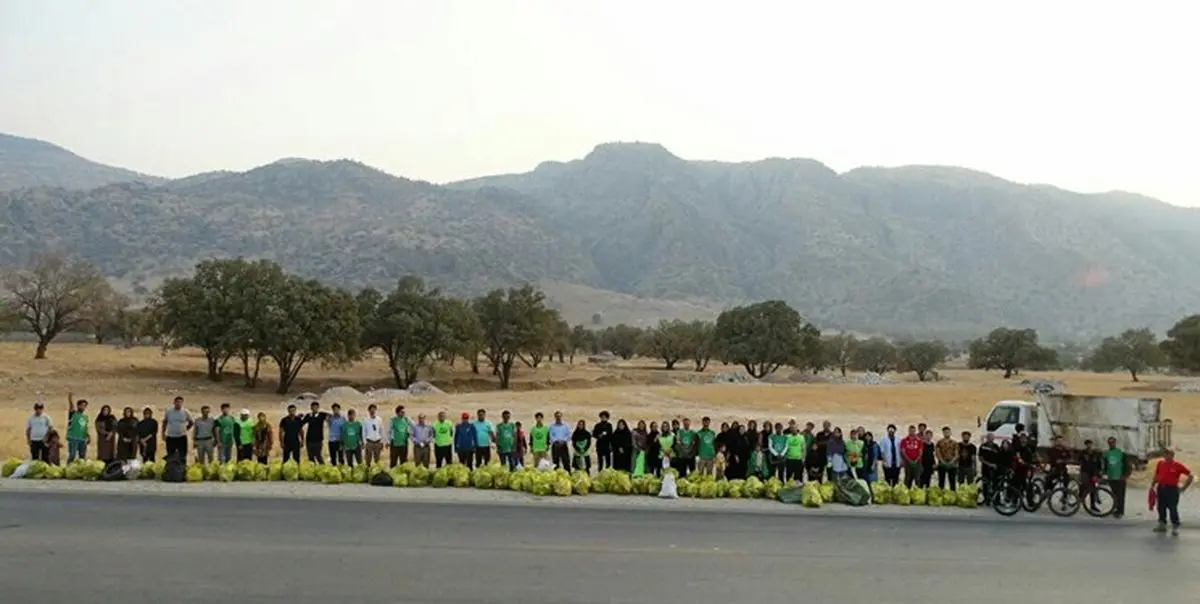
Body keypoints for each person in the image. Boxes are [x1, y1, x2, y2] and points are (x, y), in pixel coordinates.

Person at [1150, 448, 1192, 536]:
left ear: (1172, 455)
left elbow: (1190, 475)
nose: (1165, 456)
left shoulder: (1177, 465)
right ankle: (1162, 524)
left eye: (1167, 454)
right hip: (1161, 488)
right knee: (1161, 507)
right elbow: (1157, 474)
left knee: (1172, 508)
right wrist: (1153, 484)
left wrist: (1183, 487)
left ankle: (1175, 526)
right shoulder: (1160, 463)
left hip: (1172, 489)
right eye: (1165, 454)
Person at [1101, 436, 1129, 519]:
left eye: (1113, 442)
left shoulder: (1120, 453)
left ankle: (1120, 511)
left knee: (1121, 495)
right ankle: (1116, 509)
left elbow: (1127, 465)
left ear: (1115, 443)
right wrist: (1104, 473)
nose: (1111, 444)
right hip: (1111, 477)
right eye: (1109, 442)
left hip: (1120, 477)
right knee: (1115, 495)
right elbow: (1106, 465)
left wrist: (1125, 475)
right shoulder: (1107, 453)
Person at [162, 396, 193, 461]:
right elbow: (165, 422)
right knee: (170, 455)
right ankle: (171, 469)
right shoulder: (169, 411)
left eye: (180, 402)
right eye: (177, 402)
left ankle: (182, 469)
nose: (178, 404)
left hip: (182, 437)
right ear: (174, 402)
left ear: (182, 403)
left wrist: (185, 429)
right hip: (171, 436)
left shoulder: (185, 411)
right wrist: (163, 433)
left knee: (182, 455)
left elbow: (191, 422)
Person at [1078, 439, 1102, 513]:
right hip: (1085, 472)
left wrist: (1098, 473)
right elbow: (1079, 460)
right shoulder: (1083, 453)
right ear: (1086, 445)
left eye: (1090, 444)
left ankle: (1092, 505)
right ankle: (1079, 498)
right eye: (1088, 444)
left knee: (1093, 489)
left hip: (1093, 473)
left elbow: (1099, 463)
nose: (1089, 446)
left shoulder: (1095, 453)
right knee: (1084, 485)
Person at [66, 395, 90, 463]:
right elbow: (71, 407)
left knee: (82, 456)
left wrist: (88, 436)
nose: (83, 407)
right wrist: (70, 399)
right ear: (78, 406)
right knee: (72, 455)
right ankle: (68, 469)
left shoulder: (85, 417)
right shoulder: (73, 414)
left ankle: (81, 470)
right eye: (82, 405)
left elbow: (85, 427)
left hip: (82, 438)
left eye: (85, 406)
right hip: (73, 437)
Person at [935, 426, 959, 490]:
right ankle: (940, 496)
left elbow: (956, 454)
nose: (946, 433)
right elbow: (937, 453)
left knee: (952, 482)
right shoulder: (939, 442)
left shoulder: (954, 442)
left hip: (952, 464)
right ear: (943, 433)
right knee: (941, 482)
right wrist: (942, 461)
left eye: (948, 432)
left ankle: (952, 496)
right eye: (945, 432)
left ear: (950, 433)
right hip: (942, 464)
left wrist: (952, 462)